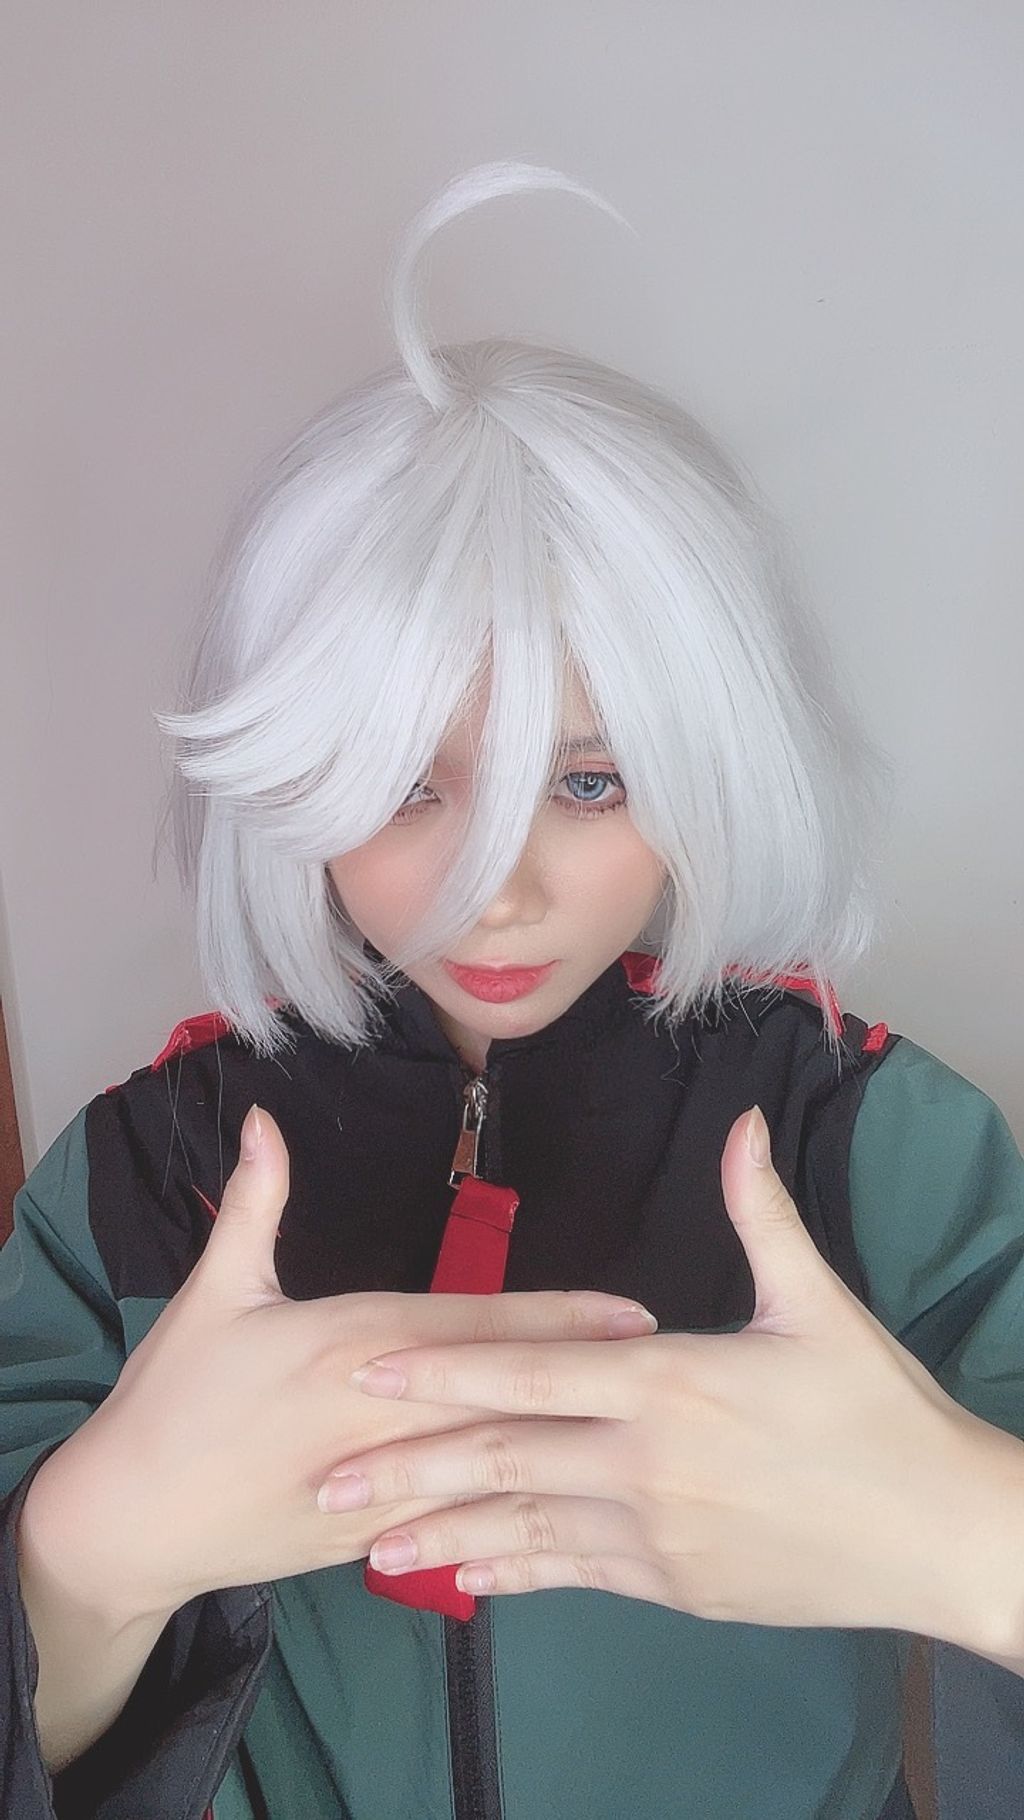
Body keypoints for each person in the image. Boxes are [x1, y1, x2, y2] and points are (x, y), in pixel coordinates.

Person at [2, 161, 1023, 1820]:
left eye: (593, 782)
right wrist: (88, 1562)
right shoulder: (137, 1178)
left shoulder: (875, 1139)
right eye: (406, 783)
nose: (496, 887)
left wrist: (976, 1540)